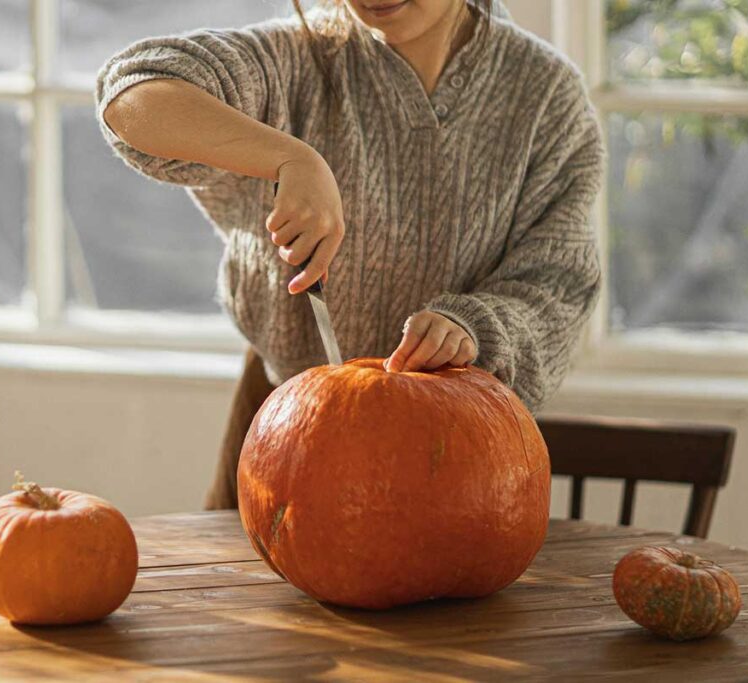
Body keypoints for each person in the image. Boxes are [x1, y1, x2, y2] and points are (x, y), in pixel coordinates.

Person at [96, 0, 604, 509]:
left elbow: (556, 283)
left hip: (458, 448)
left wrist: (474, 328)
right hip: (287, 419)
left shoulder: (545, 95)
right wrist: (289, 156)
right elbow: (131, 92)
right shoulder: (294, 60)